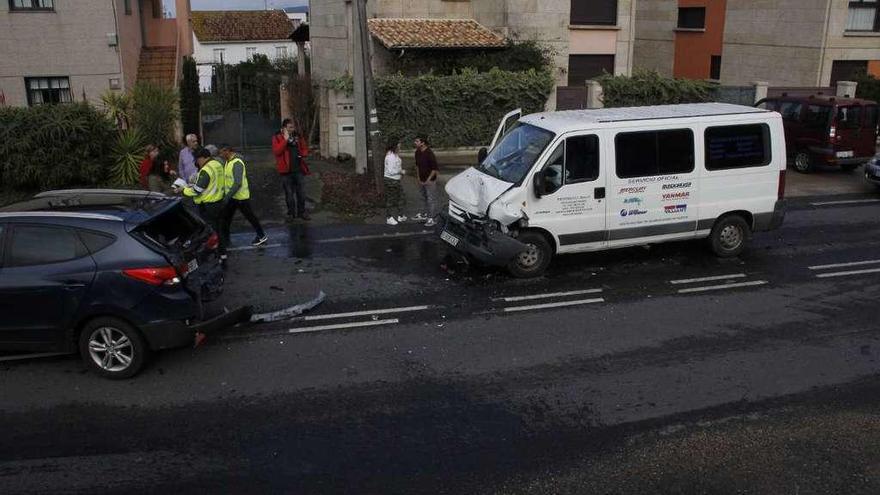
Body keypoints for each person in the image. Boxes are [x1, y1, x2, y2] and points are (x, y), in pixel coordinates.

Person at [183, 148, 227, 262]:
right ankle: (223, 254)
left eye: (197, 160)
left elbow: (197, 190)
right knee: (219, 230)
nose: (197, 163)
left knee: (211, 232)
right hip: (220, 203)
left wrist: (183, 190)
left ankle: (215, 256)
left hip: (209, 206)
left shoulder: (206, 170)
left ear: (201, 158)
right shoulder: (217, 164)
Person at [219, 144, 268, 247]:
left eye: (221, 152)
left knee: (250, 217)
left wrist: (226, 197)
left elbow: (237, 183)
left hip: (240, 198)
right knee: (226, 218)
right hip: (234, 197)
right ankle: (225, 239)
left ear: (227, 151)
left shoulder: (237, 163)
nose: (220, 155)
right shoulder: (228, 162)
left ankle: (261, 236)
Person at [272, 118, 310, 220]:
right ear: (284, 128)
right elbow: (277, 152)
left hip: (298, 169)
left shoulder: (297, 136)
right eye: (290, 127)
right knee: (289, 194)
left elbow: (304, 148)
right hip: (286, 171)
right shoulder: (277, 137)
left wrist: (303, 154)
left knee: (301, 193)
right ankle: (291, 214)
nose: (292, 129)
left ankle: (301, 213)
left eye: (293, 127)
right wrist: (285, 139)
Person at [414, 136, 439, 227]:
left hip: (430, 181)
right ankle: (425, 215)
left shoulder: (429, 153)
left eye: (417, 141)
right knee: (423, 198)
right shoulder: (417, 152)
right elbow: (417, 166)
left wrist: (428, 180)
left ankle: (432, 218)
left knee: (431, 199)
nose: (415, 143)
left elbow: (435, 169)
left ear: (422, 143)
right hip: (421, 180)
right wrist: (418, 178)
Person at [383, 142, 406, 225]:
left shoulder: (395, 155)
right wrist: (401, 171)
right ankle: (389, 217)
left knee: (401, 197)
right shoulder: (390, 157)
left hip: (396, 180)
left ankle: (400, 215)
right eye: (398, 146)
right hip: (391, 180)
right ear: (394, 146)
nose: (400, 148)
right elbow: (391, 171)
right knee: (391, 199)